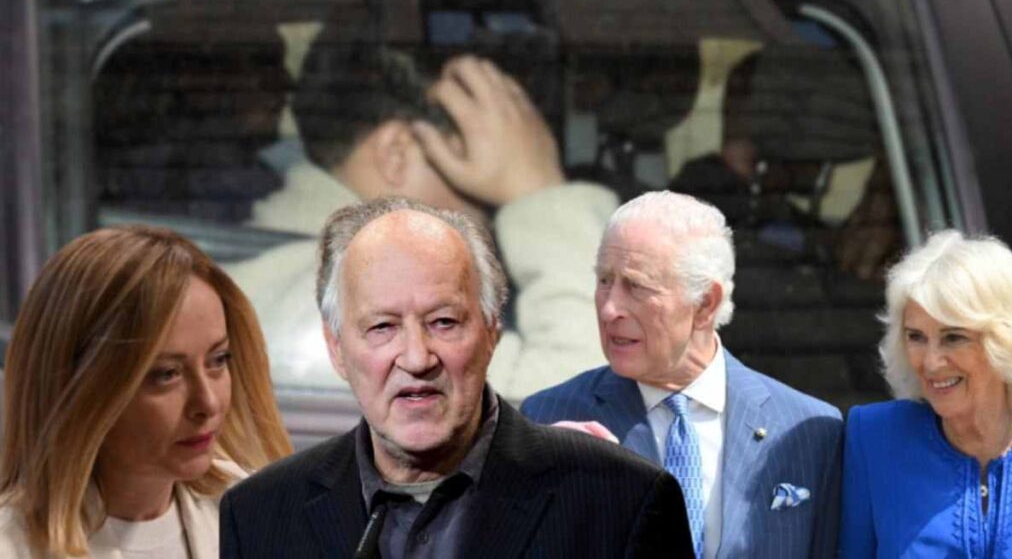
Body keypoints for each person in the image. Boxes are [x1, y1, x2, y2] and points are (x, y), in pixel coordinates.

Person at [220, 197, 691, 558]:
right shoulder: (260, 515)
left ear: (491, 332)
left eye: (443, 322)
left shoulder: (620, 501)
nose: (416, 358)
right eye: (382, 327)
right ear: (336, 348)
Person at [227, 44, 616, 398]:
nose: (489, 215)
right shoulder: (336, 300)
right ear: (396, 153)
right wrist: (536, 189)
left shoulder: (284, 272)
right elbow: (594, 401)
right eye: (480, 173)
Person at [521, 190, 844, 558]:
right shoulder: (549, 420)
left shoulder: (809, 429)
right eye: (605, 281)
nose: (610, 309)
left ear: (705, 303)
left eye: (636, 286)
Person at [0, 225, 292, 558]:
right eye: (166, 374)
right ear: (79, 387)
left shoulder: (261, 515)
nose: (208, 403)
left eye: (218, 360)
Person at [839, 230, 1012, 556]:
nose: (931, 362)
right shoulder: (874, 437)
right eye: (916, 337)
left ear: (1005, 340)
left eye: (953, 337)